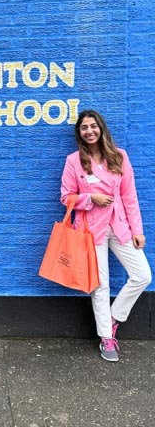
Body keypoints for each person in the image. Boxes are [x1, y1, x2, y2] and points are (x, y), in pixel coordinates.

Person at [61, 109, 152, 362]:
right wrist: (91, 198)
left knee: (142, 275)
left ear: (101, 128)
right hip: (91, 230)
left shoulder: (119, 157)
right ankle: (106, 337)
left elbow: (129, 196)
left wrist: (138, 231)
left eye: (93, 126)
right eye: (83, 128)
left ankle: (113, 318)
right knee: (100, 286)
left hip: (120, 226)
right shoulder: (74, 161)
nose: (89, 131)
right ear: (79, 133)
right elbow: (66, 197)